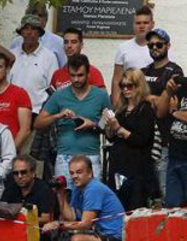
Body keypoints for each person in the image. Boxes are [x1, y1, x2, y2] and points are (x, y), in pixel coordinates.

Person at [35, 55, 111, 185]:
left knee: (92, 199)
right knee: (64, 198)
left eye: (80, 75)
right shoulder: (59, 95)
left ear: (88, 73)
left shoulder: (101, 95)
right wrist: (58, 115)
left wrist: (92, 125)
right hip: (64, 157)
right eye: (72, 75)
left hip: (90, 156)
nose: (76, 79)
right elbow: (38, 123)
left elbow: (110, 128)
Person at [103, 69, 156, 211]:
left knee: (135, 207)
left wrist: (120, 129)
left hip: (137, 168)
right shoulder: (121, 108)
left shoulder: (145, 109)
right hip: (118, 164)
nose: (125, 89)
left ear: (139, 86)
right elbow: (111, 137)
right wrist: (109, 126)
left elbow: (143, 140)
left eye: (130, 85)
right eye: (122, 86)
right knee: (117, 206)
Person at [144, 28, 182, 199]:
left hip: (164, 141)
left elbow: (166, 109)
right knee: (147, 194)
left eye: (159, 44)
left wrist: (148, 98)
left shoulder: (175, 71)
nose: (154, 47)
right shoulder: (143, 71)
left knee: (165, 193)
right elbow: (133, 99)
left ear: (168, 45)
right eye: (150, 44)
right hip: (143, 139)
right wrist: (156, 98)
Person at [0, 155, 55, 241]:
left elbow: (46, 219)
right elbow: (1, 209)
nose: (19, 176)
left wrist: (20, 219)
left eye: (23, 172)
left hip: (37, 234)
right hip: (12, 232)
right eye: (16, 173)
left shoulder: (44, 189)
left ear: (33, 173)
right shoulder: (11, 188)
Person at [9, 14, 59, 115]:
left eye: (33, 29)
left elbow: (53, 89)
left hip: (36, 112)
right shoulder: (12, 55)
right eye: (26, 29)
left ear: (39, 33)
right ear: (21, 32)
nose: (29, 32)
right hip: (12, 111)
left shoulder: (49, 57)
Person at [111, 5, 154, 105]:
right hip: (128, 102)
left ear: (152, 24)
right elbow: (117, 79)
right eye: (138, 23)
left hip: (151, 102)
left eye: (145, 23)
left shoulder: (159, 48)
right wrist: (116, 105)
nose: (142, 26)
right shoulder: (123, 48)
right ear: (133, 25)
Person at [9, 2, 66, 69]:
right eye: (32, 14)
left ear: (46, 20)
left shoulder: (58, 42)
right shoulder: (16, 42)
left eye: (40, 15)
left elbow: (63, 68)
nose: (36, 18)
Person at [161, 77, 187, 207]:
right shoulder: (182, 87)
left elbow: (173, 112)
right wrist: (168, 92)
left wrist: (175, 112)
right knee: (172, 207)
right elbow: (160, 113)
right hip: (174, 155)